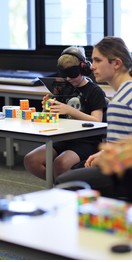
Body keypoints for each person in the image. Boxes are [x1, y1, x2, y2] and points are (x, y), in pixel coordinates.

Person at [55, 36, 132, 200]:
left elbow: (116, 164)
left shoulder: (121, 103)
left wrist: (102, 158)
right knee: (83, 165)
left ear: (116, 64)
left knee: (64, 181)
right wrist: (102, 155)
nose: (92, 67)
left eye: (97, 60)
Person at [24, 46, 107, 181]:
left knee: (60, 164)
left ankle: (64, 187)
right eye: (64, 74)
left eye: (72, 73)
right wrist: (47, 107)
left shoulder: (94, 91)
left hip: (86, 141)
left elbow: (97, 121)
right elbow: (51, 117)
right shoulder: (63, 89)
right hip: (63, 138)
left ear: (83, 69)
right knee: (31, 160)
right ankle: (59, 184)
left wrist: (69, 110)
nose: (68, 78)